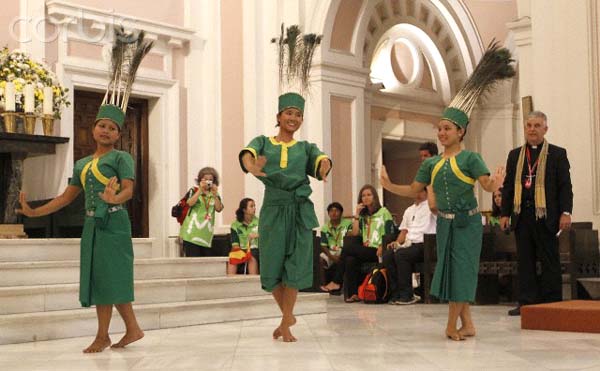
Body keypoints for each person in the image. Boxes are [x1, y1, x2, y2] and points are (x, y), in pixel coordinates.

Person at [16, 28, 153, 353]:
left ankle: (114, 333)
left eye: (112, 128)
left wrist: (113, 198)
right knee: (100, 281)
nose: (105, 131)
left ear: (118, 135)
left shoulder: (122, 158)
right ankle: (121, 331)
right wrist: (34, 212)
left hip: (115, 224)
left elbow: (129, 191)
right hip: (92, 225)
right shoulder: (80, 165)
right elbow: (66, 198)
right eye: (101, 125)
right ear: (93, 129)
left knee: (113, 278)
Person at [379, 42, 513, 341]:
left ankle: (451, 325)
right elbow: (413, 189)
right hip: (445, 223)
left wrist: (496, 182)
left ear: (460, 132)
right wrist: (388, 186)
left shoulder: (471, 158)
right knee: (451, 272)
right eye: (439, 129)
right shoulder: (434, 164)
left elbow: (487, 185)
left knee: (463, 271)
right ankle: (468, 324)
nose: (441, 134)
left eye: (447, 129)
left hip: (468, 223)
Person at [239, 92, 331, 342]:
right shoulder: (264, 142)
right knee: (271, 265)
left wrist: (324, 166)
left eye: (298, 114)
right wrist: (251, 165)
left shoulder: (304, 148)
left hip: (299, 209)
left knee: (295, 264)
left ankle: (286, 322)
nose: (293, 118)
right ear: (278, 117)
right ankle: (287, 316)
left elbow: (320, 159)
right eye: (289, 113)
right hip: (273, 209)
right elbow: (249, 154)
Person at [500, 111, 573, 316]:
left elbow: (565, 187)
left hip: (546, 216)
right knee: (525, 261)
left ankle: (552, 303)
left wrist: (566, 212)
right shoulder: (515, 155)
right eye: (529, 125)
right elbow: (507, 187)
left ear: (545, 129)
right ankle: (527, 303)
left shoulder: (557, 154)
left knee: (549, 261)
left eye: (537, 125)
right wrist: (505, 213)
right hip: (522, 216)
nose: (532, 129)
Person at [320, 185, 395, 302]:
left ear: (375, 197)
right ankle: (353, 294)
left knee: (348, 249)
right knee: (350, 259)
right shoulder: (363, 216)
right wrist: (357, 215)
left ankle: (336, 281)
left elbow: (391, 232)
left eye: (369, 195)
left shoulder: (383, 212)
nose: (366, 198)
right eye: (363, 196)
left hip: (378, 250)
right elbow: (355, 233)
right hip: (365, 250)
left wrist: (382, 245)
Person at [383, 187, 436, 304]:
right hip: (409, 244)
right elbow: (404, 231)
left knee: (402, 255)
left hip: (425, 245)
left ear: (425, 191)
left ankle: (407, 295)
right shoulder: (409, 210)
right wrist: (396, 243)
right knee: (388, 255)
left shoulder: (431, 207)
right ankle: (396, 293)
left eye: (419, 189)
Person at [179, 167, 224, 257]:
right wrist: (200, 190)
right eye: (205, 179)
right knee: (193, 262)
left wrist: (215, 195)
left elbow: (219, 208)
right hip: (192, 233)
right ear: (200, 180)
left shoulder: (214, 193)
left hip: (206, 234)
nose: (208, 182)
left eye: (210, 180)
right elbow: (190, 203)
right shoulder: (194, 190)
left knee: (205, 264)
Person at [319, 202, 352, 288]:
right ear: (328, 213)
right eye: (331, 211)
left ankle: (338, 284)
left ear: (341, 213)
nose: (333, 213)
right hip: (331, 252)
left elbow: (350, 239)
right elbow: (323, 245)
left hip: (344, 250)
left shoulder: (348, 224)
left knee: (347, 256)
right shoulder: (325, 228)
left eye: (336, 211)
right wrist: (331, 256)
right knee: (320, 259)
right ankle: (324, 285)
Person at [228, 198, 259, 275]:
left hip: (256, 249)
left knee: (251, 256)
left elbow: (267, 235)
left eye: (254, 206)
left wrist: (258, 235)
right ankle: (230, 283)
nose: (254, 208)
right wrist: (240, 252)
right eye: (251, 206)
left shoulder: (260, 222)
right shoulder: (235, 225)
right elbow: (235, 244)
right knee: (232, 258)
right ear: (244, 210)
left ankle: (252, 282)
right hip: (241, 250)